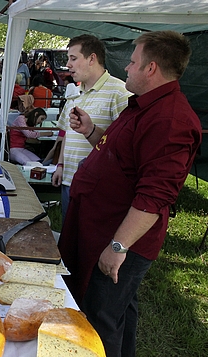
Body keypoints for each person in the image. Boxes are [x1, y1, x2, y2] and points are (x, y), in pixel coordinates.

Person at [58, 31, 202, 357]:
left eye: (133, 61)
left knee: (100, 319)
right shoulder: (142, 107)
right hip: (102, 229)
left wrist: (118, 246)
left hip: (119, 239)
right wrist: (92, 131)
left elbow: (154, 196)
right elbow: (116, 155)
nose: (126, 68)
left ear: (151, 68)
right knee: (118, 310)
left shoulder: (171, 119)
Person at [52, 34, 131, 223]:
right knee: (68, 240)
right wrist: (60, 165)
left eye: (73, 58)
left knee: (90, 243)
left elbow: (125, 145)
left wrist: (91, 129)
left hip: (97, 187)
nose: (68, 65)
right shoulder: (75, 93)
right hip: (69, 181)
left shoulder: (119, 93)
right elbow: (66, 135)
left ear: (92, 59)